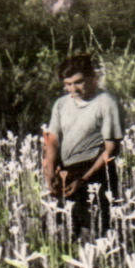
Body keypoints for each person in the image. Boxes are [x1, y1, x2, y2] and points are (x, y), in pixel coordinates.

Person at [42, 53, 121, 238]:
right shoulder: (61, 104)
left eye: (78, 82)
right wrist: (50, 172)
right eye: (68, 84)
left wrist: (84, 179)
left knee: (94, 230)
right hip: (67, 172)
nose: (73, 89)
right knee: (59, 229)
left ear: (92, 78)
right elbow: (52, 140)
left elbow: (111, 149)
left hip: (96, 172)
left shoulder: (106, 102)